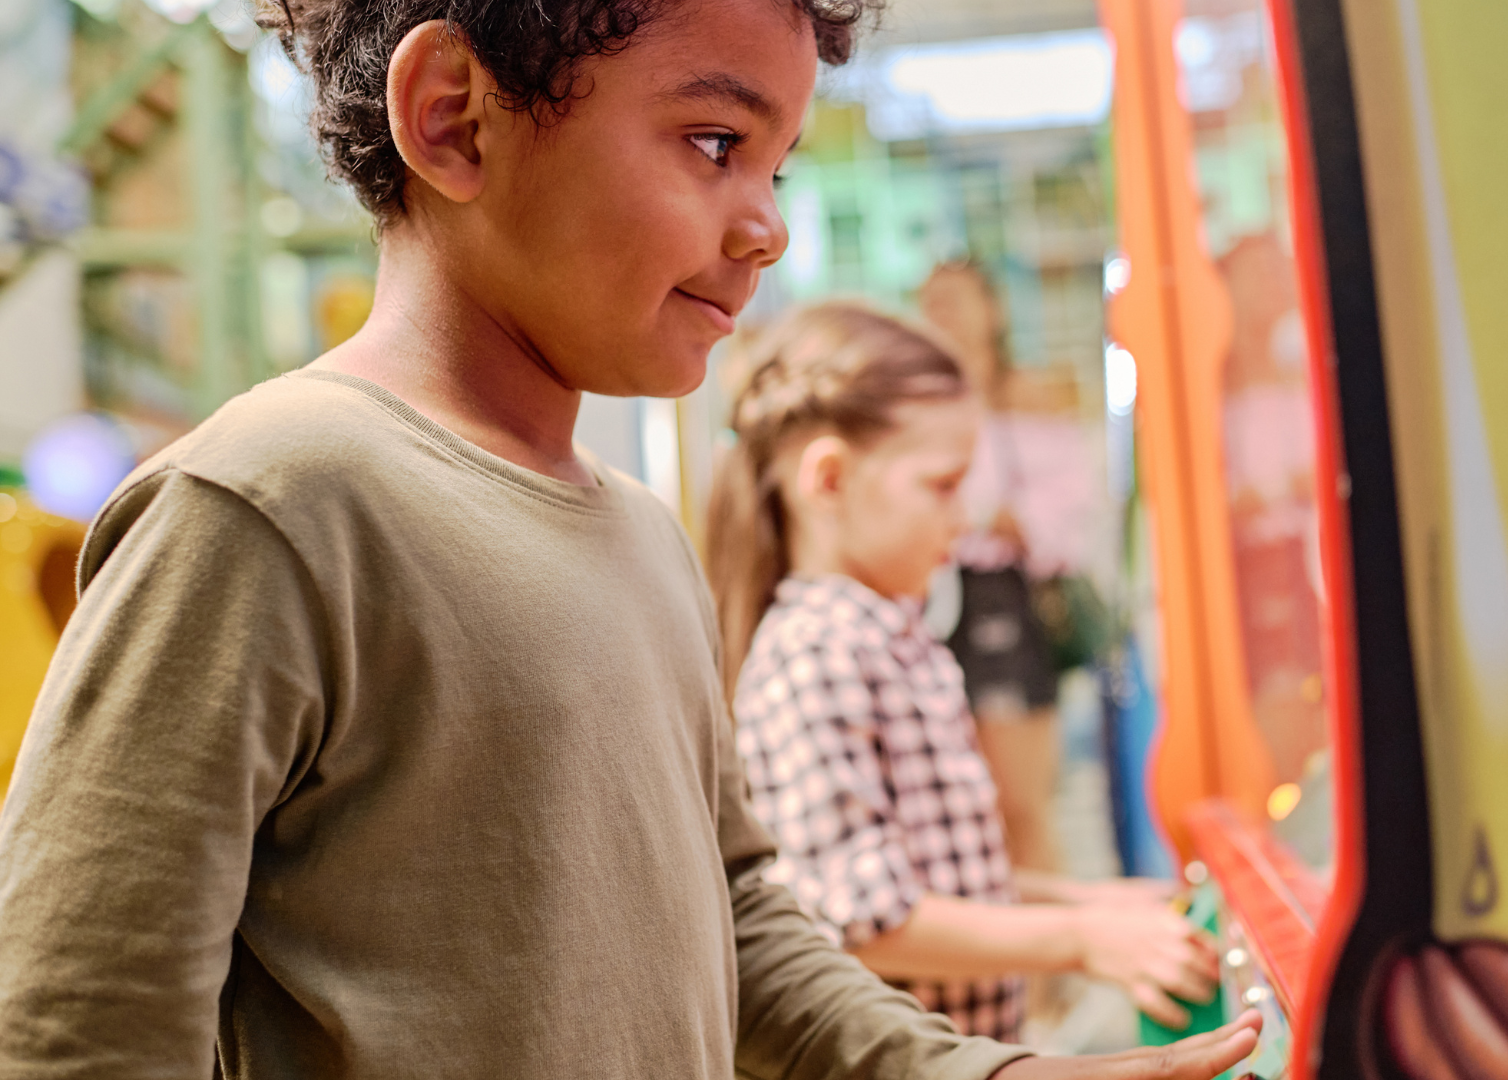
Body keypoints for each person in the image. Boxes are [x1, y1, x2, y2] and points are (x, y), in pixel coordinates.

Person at [0, 0, 1263, 1076]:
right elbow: (75, 1027)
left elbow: (738, 917)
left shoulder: (646, 538)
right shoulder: (270, 508)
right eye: (713, 142)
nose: (765, 224)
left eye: (777, 165)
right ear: (453, 116)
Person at [709, 302, 1218, 1043]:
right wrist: (1080, 940)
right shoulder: (817, 653)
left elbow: (943, 882)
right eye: (942, 486)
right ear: (828, 480)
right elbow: (868, 920)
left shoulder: (893, 633)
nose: (967, 514)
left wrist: (1089, 905)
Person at [917, 260, 1068, 875]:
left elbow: (1064, 524)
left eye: (956, 300)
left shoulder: (1027, 399)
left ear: (993, 312)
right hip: (931, 606)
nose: (942, 314)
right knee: (962, 814)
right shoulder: (916, 401)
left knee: (1019, 807)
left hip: (1003, 606)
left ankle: (1045, 964)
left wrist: (994, 520)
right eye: (932, 301)